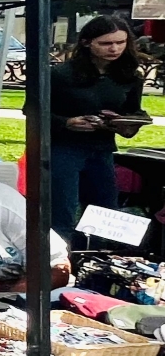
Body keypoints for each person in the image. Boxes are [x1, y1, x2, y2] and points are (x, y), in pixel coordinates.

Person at [51, 15, 149, 239]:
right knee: (62, 213)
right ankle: (59, 257)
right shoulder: (60, 74)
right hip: (64, 149)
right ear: (87, 43)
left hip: (102, 149)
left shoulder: (130, 76)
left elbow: (134, 110)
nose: (114, 49)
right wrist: (67, 122)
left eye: (120, 42)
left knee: (105, 213)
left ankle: (100, 255)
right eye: (106, 43)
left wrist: (126, 122)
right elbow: (34, 110)